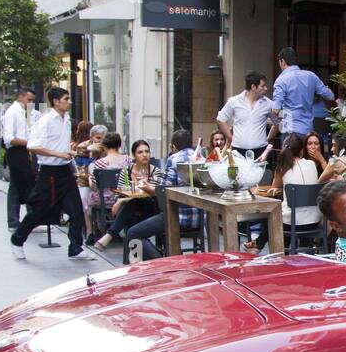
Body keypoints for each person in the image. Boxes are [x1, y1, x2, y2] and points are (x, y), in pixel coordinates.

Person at [10, 87, 95, 260]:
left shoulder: (66, 120)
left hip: (65, 170)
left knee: (77, 209)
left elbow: (59, 144)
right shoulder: (45, 121)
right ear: (56, 101)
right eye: (67, 98)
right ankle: (17, 240)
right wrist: (59, 154)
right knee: (39, 211)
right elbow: (32, 146)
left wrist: (71, 151)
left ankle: (75, 248)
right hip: (49, 173)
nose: (70, 101)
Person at [244, 133, 334, 254]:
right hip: (314, 221)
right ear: (302, 150)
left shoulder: (283, 167)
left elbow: (275, 185)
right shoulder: (311, 164)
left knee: (275, 215)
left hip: (293, 222)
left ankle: (266, 247)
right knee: (284, 215)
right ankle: (261, 245)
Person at [122, 130, 203, 261]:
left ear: (173, 147)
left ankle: (160, 260)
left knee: (133, 233)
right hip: (199, 218)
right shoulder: (202, 158)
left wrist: (146, 187)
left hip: (176, 217)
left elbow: (165, 191)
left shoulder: (174, 159)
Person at [92, 140, 162, 251]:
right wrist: (122, 200)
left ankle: (110, 235)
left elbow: (152, 194)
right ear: (134, 155)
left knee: (133, 205)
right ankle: (143, 254)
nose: (144, 155)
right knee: (132, 214)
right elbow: (120, 192)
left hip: (151, 208)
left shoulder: (155, 172)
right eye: (140, 152)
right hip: (132, 209)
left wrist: (122, 201)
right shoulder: (126, 171)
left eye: (147, 151)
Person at [270, 48, 334, 149]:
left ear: (282, 61)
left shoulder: (281, 80)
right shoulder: (311, 76)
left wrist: (276, 126)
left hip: (290, 131)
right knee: (305, 163)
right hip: (308, 130)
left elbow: (275, 110)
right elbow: (330, 96)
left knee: (289, 163)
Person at [217, 71, 277, 164]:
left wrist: (268, 139)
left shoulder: (268, 104)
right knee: (239, 177)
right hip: (238, 151)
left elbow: (277, 123)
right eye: (262, 86)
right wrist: (231, 137)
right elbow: (220, 119)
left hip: (261, 150)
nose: (266, 88)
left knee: (261, 177)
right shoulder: (234, 101)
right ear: (253, 87)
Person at [1, 87, 37, 229]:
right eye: (29, 100)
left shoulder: (26, 113)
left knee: (21, 185)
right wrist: (29, 142)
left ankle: (24, 220)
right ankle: (20, 220)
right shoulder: (12, 113)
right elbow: (8, 138)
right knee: (21, 185)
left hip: (26, 151)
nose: (31, 103)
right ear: (20, 97)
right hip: (17, 151)